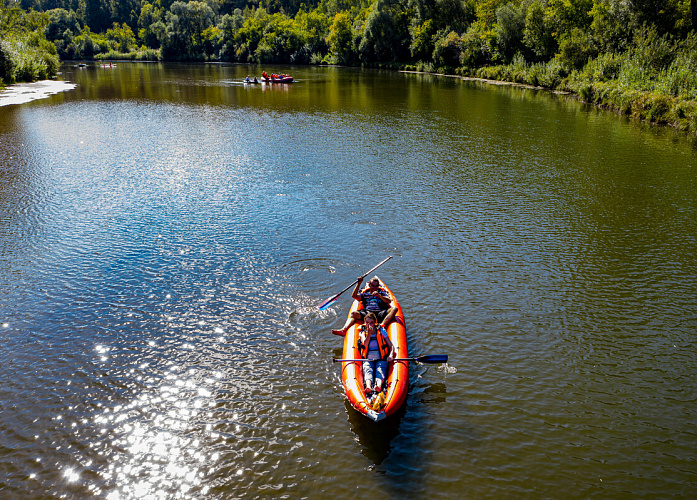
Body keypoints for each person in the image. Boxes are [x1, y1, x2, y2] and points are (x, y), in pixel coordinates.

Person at [331, 276, 397, 336]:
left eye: (376, 286)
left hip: (380, 313)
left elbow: (389, 301)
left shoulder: (381, 293)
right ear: (369, 285)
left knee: (394, 309)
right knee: (353, 313)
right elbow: (354, 296)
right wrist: (358, 283)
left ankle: (382, 325)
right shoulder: (365, 294)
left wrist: (379, 296)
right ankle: (343, 330)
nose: (375, 288)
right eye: (373, 286)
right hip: (368, 313)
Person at [358, 312, 396, 395]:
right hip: (368, 358)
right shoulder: (362, 333)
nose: (369, 324)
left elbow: (391, 345)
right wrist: (369, 333)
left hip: (381, 357)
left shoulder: (381, 331)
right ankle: (368, 386)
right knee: (367, 369)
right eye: (367, 322)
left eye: (371, 322)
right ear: (365, 323)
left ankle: (378, 386)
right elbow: (365, 343)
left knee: (380, 370)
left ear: (375, 322)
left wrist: (390, 355)